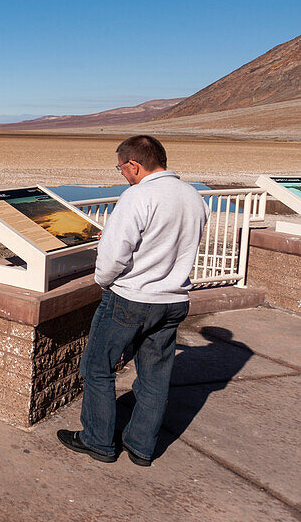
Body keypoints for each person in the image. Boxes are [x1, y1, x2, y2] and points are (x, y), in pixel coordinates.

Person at [58, 135, 208, 466]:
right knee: (155, 376)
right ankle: (141, 446)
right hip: (173, 301)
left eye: (121, 168)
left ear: (134, 165)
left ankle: (98, 440)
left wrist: (103, 281)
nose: (122, 175)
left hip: (131, 299)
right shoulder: (194, 196)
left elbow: (114, 257)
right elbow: (169, 240)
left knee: (97, 367)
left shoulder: (137, 196)